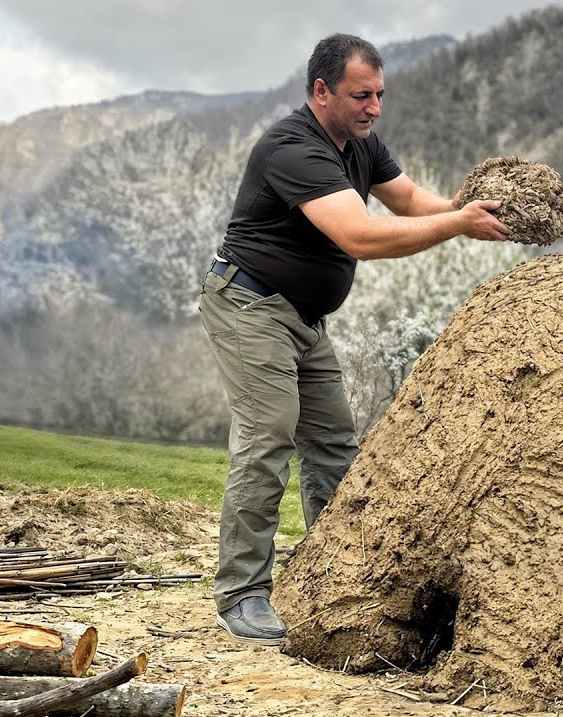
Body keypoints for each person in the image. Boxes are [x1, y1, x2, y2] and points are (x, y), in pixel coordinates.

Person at [198, 33, 509, 645]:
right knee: (268, 437)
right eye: (360, 95)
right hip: (249, 304)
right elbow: (360, 236)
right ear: (321, 91)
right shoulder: (293, 147)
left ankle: (330, 570)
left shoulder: (361, 144)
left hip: (303, 319)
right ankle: (241, 595)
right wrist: (457, 226)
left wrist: (469, 211)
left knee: (335, 444)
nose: (373, 107)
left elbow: (411, 199)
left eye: (380, 96)